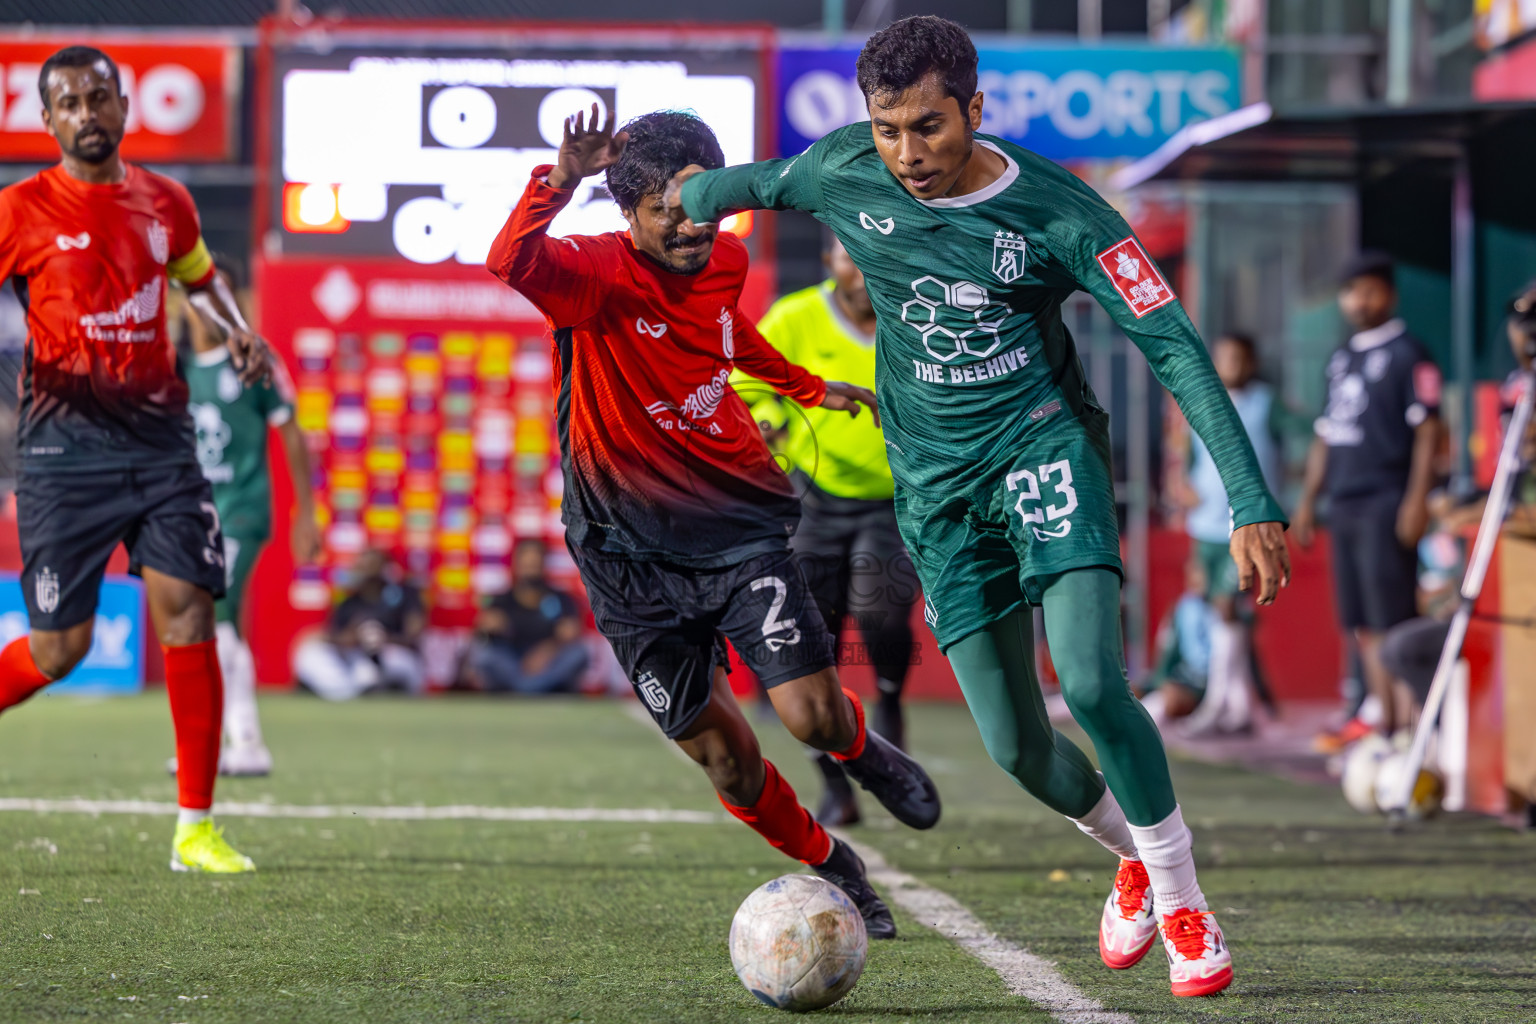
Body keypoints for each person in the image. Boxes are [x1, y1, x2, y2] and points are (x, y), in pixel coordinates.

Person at [667, 15, 1292, 996]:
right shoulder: (846, 172)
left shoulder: (1063, 212)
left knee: (1087, 680)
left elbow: (1172, 344)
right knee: (1016, 747)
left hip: (1045, 454)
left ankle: (1184, 898)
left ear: (975, 109)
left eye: (929, 126)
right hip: (937, 494)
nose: (907, 154)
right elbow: (742, 185)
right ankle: (1134, 853)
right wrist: (674, 196)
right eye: (887, 129)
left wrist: (1251, 496)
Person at [484, 106, 941, 939]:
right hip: (623, 559)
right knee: (728, 763)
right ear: (630, 213)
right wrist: (559, 180)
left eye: (709, 206)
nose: (696, 227)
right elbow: (508, 259)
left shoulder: (724, 260)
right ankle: (833, 861)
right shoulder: (592, 274)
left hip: (735, 526)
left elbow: (728, 337)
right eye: (672, 211)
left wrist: (808, 386)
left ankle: (862, 752)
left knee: (809, 715)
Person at [0, 47, 269, 873]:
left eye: (98, 96)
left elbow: (198, 276)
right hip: (60, 455)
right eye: (68, 102)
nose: (86, 112)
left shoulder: (166, 201)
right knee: (60, 650)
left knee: (188, 609)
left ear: (121, 104)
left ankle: (195, 826)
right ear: (47, 121)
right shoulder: (19, 211)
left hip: (161, 451)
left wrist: (233, 326)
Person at [733, 230, 920, 827]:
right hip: (813, 498)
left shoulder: (917, 317)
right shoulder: (795, 318)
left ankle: (889, 702)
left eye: (874, 260)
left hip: (895, 499)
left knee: (882, 612)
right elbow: (748, 381)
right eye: (849, 259)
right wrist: (768, 422)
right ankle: (834, 783)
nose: (862, 273)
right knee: (814, 647)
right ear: (829, 262)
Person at [179, 259, 321, 775]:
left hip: (239, 511)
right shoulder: (179, 368)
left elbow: (291, 429)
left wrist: (306, 510)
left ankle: (231, 744)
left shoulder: (253, 358)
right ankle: (240, 743)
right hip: (195, 519)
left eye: (220, 291)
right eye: (195, 291)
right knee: (222, 626)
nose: (206, 302)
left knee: (210, 617)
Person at [1293, 253, 1441, 745]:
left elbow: (1428, 431)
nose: (1360, 300)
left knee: (1393, 616)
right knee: (1361, 623)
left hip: (1386, 499)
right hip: (1345, 502)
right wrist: (1309, 500)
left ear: (1390, 295)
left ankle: (1419, 732)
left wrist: (1416, 499)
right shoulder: (1340, 357)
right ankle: (1385, 726)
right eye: (1352, 291)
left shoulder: (1409, 353)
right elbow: (1326, 435)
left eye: (1370, 290)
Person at [1172, 332, 1286, 736]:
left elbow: (1311, 435)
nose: (1229, 366)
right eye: (1222, 358)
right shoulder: (1201, 403)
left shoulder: (1267, 404)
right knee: (1221, 612)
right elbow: (1187, 460)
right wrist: (1183, 486)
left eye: (1237, 358)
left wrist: (1296, 496)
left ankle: (1216, 705)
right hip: (1205, 527)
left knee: (1226, 606)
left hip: (1245, 527)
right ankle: (1239, 706)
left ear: (1251, 362)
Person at [292, 549, 426, 699]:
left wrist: (383, 639)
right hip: (356, 660)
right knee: (311, 654)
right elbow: (339, 637)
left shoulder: (405, 594)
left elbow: (414, 636)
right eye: (361, 565)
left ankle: (378, 688)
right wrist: (347, 637)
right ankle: (345, 692)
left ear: (384, 569)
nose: (363, 570)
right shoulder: (349, 602)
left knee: (369, 671)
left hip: (395, 657)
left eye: (371, 565)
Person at [463, 539, 590, 694]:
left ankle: (525, 689)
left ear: (543, 564)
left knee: (578, 653)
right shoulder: (501, 599)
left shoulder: (561, 599)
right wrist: (485, 628)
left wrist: (547, 651)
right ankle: (534, 689)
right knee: (484, 654)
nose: (531, 569)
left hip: (547, 664)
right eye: (527, 565)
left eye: (535, 564)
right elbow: (482, 634)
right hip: (513, 663)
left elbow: (571, 633)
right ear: (517, 565)